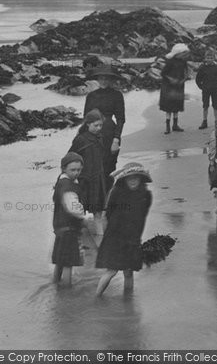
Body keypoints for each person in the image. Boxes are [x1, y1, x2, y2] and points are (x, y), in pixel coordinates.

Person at [95, 162, 152, 296]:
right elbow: (107, 215)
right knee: (111, 271)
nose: (133, 181)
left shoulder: (146, 195)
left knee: (129, 272)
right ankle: (96, 298)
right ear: (124, 179)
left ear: (141, 179)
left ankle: (128, 301)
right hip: (115, 237)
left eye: (136, 178)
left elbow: (142, 217)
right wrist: (106, 235)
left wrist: (137, 237)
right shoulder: (116, 192)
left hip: (133, 238)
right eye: (129, 178)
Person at [84, 65, 125, 191]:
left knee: (109, 168)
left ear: (111, 80)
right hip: (93, 135)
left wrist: (116, 139)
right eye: (101, 78)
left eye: (106, 78)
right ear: (97, 79)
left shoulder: (117, 95)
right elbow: (86, 118)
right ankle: (97, 202)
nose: (103, 81)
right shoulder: (91, 96)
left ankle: (107, 199)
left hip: (109, 134)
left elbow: (120, 119)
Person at [52, 152, 87, 286]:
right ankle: (67, 292)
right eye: (73, 170)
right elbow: (73, 207)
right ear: (64, 169)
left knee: (60, 261)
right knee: (68, 263)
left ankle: (55, 284)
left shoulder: (61, 182)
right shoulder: (68, 186)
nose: (76, 173)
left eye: (79, 170)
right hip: (70, 229)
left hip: (60, 227)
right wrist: (85, 217)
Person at [70, 109, 106, 235]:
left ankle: (100, 238)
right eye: (96, 125)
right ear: (87, 124)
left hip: (98, 178)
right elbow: (70, 158)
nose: (99, 128)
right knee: (79, 212)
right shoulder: (80, 140)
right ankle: (76, 239)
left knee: (98, 213)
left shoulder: (100, 138)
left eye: (100, 125)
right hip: (84, 181)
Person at [159, 43, 190, 134]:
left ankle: (175, 125)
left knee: (177, 106)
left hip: (179, 86)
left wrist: (184, 79)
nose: (185, 56)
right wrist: (171, 79)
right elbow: (163, 73)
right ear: (177, 53)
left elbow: (186, 72)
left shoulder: (183, 62)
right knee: (169, 107)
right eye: (184, 54)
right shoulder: (170, 61)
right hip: (168, 86)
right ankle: (167, 126)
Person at [195, 51, 217, 129]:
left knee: (215, 106)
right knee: (205, 106)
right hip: (205, 89)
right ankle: (204, 121)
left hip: (215, 89)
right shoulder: (202, 68)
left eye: (211, 58)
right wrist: (201, 87)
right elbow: (197, 79)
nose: (209, 59)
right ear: (205, 58)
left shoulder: (216, 67)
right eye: (208, 58)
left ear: (214, 58)